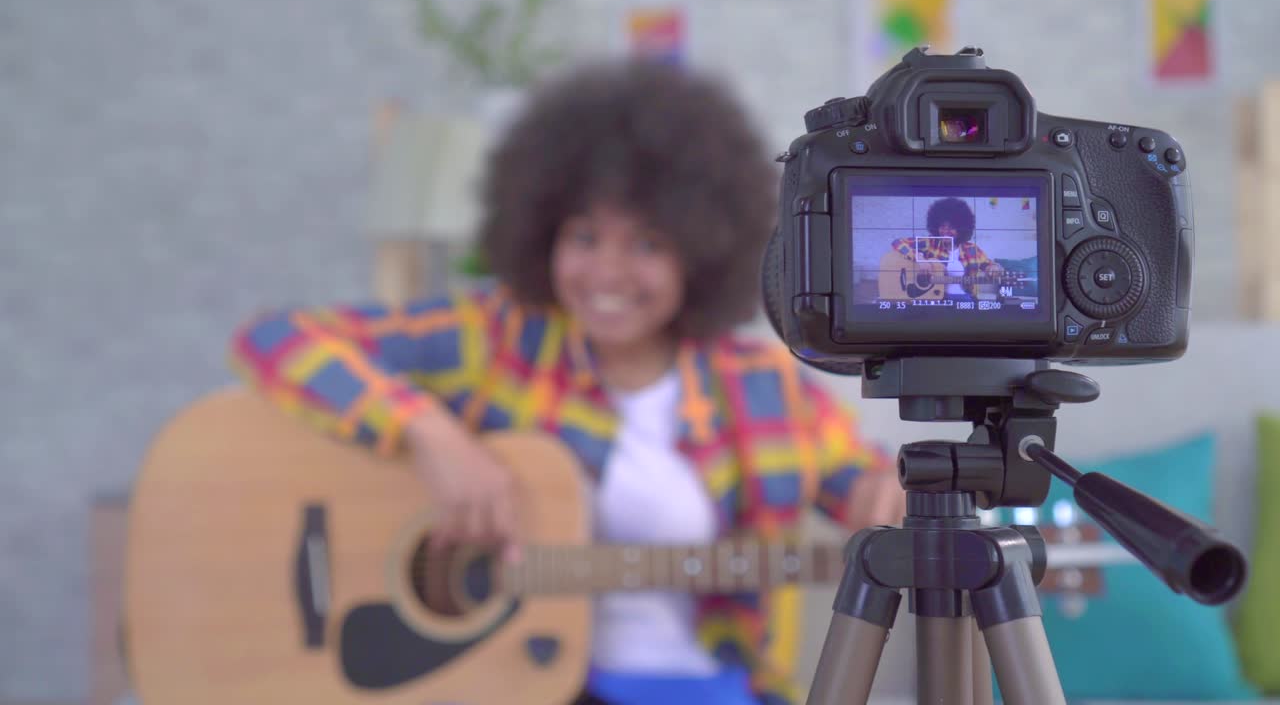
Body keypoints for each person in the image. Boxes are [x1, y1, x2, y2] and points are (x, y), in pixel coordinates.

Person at [229, 58, 905, 705]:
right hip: (513, 684)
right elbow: (274, 339)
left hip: (705, 683)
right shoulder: (496, 337)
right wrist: (429, 435)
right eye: (584, 237)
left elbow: (864, 488)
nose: (607, 274)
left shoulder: (761, 383)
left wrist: (883, 496)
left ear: (700, 252)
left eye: (646, 244)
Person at [890, 197, 1003, 301]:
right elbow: (897, 242)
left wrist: (994, 268)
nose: (945, 231)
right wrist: (920, 259)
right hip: (935, 300)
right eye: (942, 226)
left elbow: (990, 265)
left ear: (961, 229)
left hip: (965, 300)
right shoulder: (930, 243)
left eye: (951, 227)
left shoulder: (972, 249)